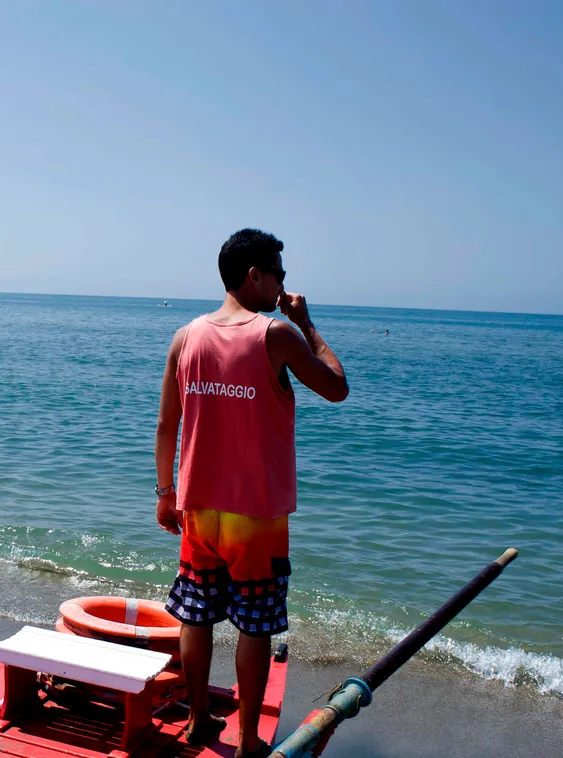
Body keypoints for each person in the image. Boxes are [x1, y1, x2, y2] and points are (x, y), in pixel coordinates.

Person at [154, 229, 347, 756]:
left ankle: (197, 722)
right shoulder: (277, 335)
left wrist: (164, 492)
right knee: (253, 626)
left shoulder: (185, 336)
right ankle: (245, 742)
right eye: (279, 273)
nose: (285, 284)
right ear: (254, 276)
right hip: (255, 516)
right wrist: (306, 322)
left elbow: (166, 425)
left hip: (198, 506)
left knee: (196, 615)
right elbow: (336, 387)